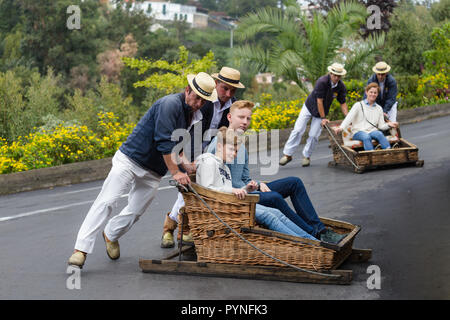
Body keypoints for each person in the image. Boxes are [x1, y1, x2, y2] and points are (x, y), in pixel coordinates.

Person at [67, 72, 217, 268]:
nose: (199, 103)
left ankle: (111, 234)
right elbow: (164, 143)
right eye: (197, 97)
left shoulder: (193, 114)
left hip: (153, 171)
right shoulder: (169, 105)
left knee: (136, 210)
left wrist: (186, 164)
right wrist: (176, 172)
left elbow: (177, 144)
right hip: (130, 160)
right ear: (187, 90)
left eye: (203, 100)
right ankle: (81, 250)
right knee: (107, 201)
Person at [207, 101, 346, 244]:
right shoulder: (219, 143)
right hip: (238, 197)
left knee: (294, 182)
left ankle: (320, 229)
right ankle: (315, 234)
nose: (245, 122)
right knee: (274, 197)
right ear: (229, 117)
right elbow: (212, 183)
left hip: (249, 190)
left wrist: (258, 184)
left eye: (248, 118)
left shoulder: (240, 145)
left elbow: (245, 177)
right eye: (241, 117)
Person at [160, 67, 245, 248]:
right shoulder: (204, 99)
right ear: (216, 84)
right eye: (224, 88)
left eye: (233, 90)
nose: (228, 94)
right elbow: (188, 128)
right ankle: (171, 228)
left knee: (197, 192)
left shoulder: (233, 104)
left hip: (212, 152)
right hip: (190, 148)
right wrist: (186, 158)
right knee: (187, 190)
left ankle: (182, 229)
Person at [197, 126, 317, 240]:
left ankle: (310, 239)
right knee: (269, 216)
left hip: (232, 203)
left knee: (276, 213)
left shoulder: (225, 168)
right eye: (231, 149)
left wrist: (247, 189)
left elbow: (229, 192)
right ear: (219, 147)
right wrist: (233, 190)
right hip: (222, 209)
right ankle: (307, 242)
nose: (234, 154)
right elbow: (208, 191)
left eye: (236, 151)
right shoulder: (208, 162)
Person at [280, 63, 348, 167]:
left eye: (339, 76)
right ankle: (287, 155)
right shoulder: (322, 82)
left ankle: (306, 156)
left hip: (321, 112)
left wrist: (348, 117)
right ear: (330, 73)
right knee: (298, 130)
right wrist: (323, 118)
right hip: (309, 107)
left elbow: (342, 103)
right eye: (334, 75)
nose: (336, 77)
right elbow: (319, 101)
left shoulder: (341, 86)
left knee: (314, 135)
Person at [335, 82, 399, 151]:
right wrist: (341, 127)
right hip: (358, 132)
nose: (373, 94)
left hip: (372, 131)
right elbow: (348, 118)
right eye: (371, 92)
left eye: (375, 93)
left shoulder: (379, 108)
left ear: (377, 94)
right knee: (366, 137)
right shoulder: (358, 105)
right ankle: (371, 154)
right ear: (366, 92)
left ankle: (389, 151)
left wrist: (389, 125)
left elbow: (381, 126)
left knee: (379, 134)